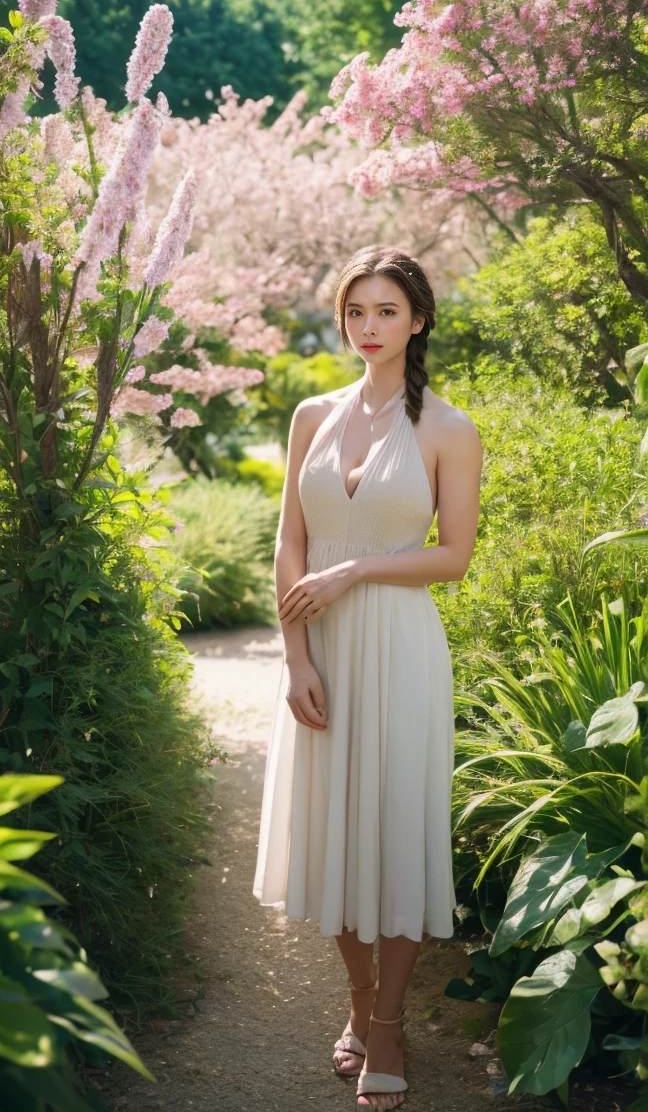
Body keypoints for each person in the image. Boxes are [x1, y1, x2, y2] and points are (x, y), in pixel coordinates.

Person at [253, 244, 482, 1110]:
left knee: (391, 827)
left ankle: (388, 1024)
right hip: (323, 650)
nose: (369, 327)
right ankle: (356, 1002)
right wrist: (296, 658)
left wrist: (355, 573)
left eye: (387, 311)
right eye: (357, 311)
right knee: (334, 832)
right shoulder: (311, 413)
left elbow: (453, 558)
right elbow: (290, 543)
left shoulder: (449, 429)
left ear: (418, 320)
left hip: (398, 647)